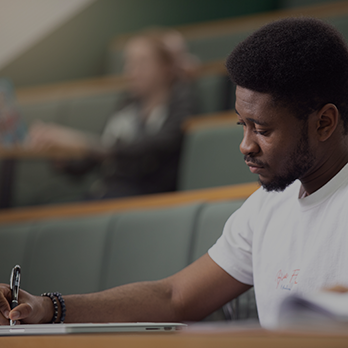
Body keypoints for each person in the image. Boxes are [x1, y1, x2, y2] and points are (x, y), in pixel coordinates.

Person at [1, 17, 348, 328]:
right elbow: (175, 296)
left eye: (262, 129)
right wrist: (46, 307)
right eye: (243, 125)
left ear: (324, 122)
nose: (245, 145)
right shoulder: (266, 206)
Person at [27, 29, 198, 199]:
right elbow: (99, 155)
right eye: (128, 63)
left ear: (165, 67)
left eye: (142, 63)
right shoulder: (127, 104)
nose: (132, 71)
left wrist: (84, 143)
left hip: (148, 197)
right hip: (110, 192)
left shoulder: (182, 102)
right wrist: (64, 156)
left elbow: (154, 147)